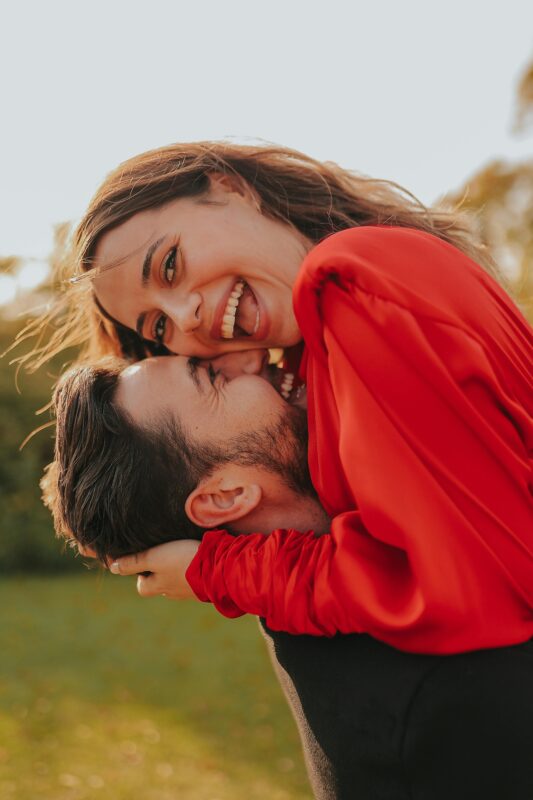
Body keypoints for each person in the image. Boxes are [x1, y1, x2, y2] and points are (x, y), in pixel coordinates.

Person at [25, 141, 532, 655]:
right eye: (158, 325)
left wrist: (222, 570)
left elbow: (462, 587)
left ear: (231, 187)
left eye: (170, 265)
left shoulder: (350, 278)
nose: (185, 318)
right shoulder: (320, 348)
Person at [48, 353, 533, 800]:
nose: (247, 358)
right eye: (213, 377)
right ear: (226, 496)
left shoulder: (303, 595)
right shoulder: (445, 693)